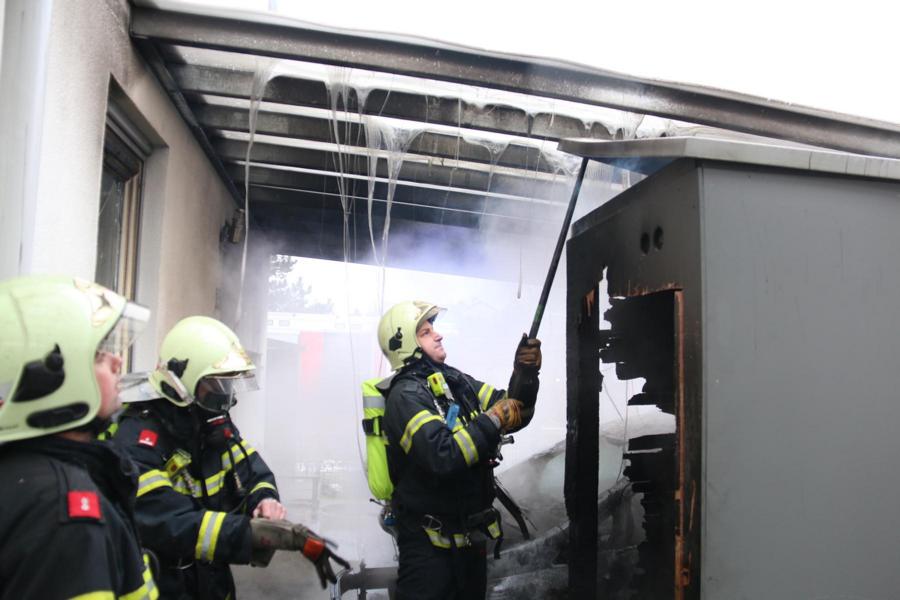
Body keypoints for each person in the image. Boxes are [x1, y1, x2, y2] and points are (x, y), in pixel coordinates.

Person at [112, 315, 347, 599]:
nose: (227, 397)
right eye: (217, 385)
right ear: (180, 381)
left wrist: (264, 501)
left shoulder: (209, 425)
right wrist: (250, 534)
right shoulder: (138, 441)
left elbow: (254, 472)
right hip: (165, 586)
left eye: (230, 385)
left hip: (211, 584)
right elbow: (171, 523)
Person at [0, 274, 156, 599]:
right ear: (52, 378)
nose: (118, 361)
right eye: (99, 354)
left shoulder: (21, 473)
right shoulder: (67, 510)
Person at [375, 300, 541, 600]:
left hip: (470, 547)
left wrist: (525, 375)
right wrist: (492, 419)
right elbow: (442, 456)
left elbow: (515, 411)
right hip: (428, 557)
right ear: (404, 344)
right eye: (425, 332)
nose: (438, 335)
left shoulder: (456, 382)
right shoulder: (406, 396)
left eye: (433, 329)